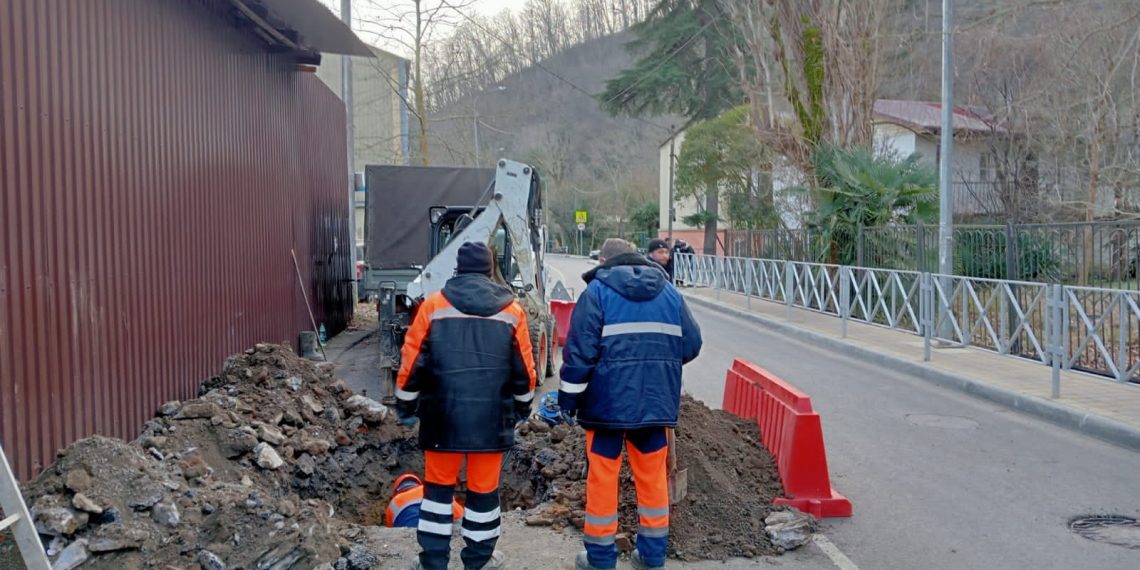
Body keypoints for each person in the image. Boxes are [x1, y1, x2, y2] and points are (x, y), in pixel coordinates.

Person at [559, 238, 703, 570]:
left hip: (605, 409)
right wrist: (658, 364)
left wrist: (568, 399)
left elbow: (578, 355)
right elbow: (692, 343)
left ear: (605, 259)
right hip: (654, 406)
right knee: (652, 479)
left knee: (603, 479)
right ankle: (652, 556)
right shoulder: (668, 292)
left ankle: (600, 559)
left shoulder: (596, 293)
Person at [396, 241, 538, 570]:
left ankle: (433, 562)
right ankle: (478, 560)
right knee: (483, 496)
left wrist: (406, 405)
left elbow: (412, 363)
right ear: (490, 269)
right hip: (491, 422)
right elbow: (525, 372)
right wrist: (522, 408)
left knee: (437, 495)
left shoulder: (433, 306)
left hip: (442, 419)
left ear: (457, 269)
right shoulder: (512, 311)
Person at [385, 473, 464, 528]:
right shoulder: (432, 490)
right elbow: (459, 513)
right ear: (418, 484)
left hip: (409, 539)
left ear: (396, 491)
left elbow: (391, 533)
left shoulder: (393, 504)